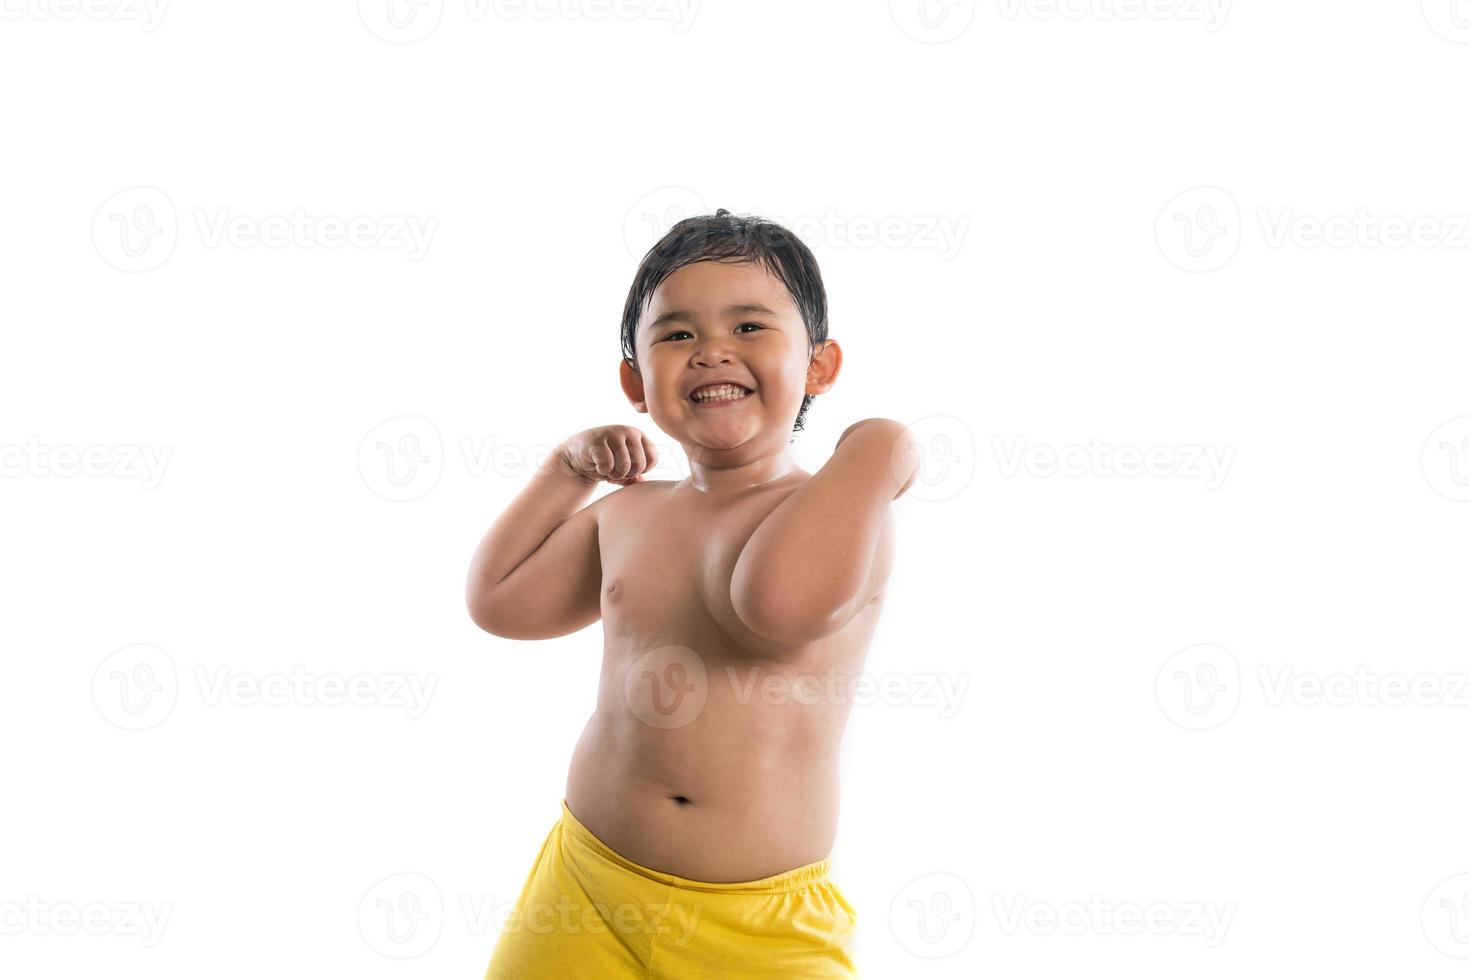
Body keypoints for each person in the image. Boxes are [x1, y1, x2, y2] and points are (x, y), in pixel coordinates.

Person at [466, 208, 919, 978]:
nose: (712, 351)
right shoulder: (630, 512)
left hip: (761, 928)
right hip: (587, 886)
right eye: (676, 335)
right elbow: (501, 604)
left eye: (748, 327)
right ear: (634, 383)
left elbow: (777, 607)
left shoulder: (840, 512)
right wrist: (564, 474)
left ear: (818, 366)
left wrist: (882, 445)